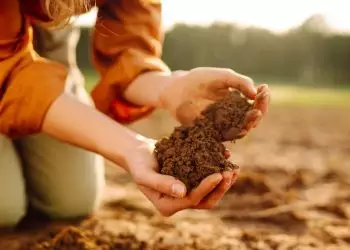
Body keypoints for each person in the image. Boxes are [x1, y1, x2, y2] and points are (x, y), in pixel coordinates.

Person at [0, 0, 270, 227]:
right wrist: (128, 146)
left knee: (71, 202)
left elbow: (128, 47)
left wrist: (170, 88)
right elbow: (8, 74)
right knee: (4, 208)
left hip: (48, 32)